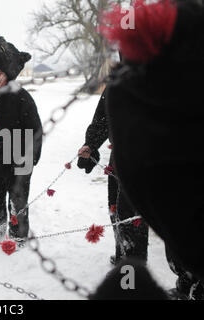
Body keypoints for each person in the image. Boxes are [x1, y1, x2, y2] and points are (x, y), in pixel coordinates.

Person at [95, 0, 204, 299]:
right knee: (124, 213)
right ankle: (131, 265)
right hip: (128, 163)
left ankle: (188, 279)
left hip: (167, 167)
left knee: (171, 223)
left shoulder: (178, 76)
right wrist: (90, 143)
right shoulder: (122, 84)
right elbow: (102, 116)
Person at [0, 36, 43, 249]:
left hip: (18, 160)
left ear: (8, 74)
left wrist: (31, 157)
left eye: (0, 72)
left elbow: (35, 129)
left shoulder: (22, 97)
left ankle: (18, 235)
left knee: (17, 200)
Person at [77, 88, 149, 265]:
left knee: (135, 217)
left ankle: (133, 274)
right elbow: (102, 119)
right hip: (118, 156)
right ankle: (124, 258)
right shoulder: (117, 83)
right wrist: (91, 145)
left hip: (150, 159)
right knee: (116, 209)